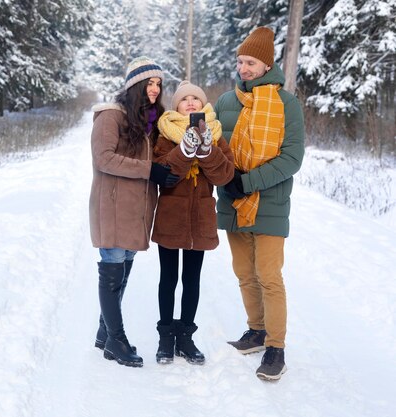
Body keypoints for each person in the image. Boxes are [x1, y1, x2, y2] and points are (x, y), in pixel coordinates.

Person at [214, 27, 305, 381]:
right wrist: (224, 179)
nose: (243, 68)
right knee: (244, 274)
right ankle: (255, 330)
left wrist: (247, 181)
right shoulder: (225, 101)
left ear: (267, 65)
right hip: (233, 200)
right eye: (240, 61)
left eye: (250, 62)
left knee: (269, 277)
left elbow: (292, 158)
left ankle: (276, 347)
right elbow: (214, 150)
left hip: (269, 201)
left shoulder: (287, 104)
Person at [89, 56, 180, 368]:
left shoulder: (149, 121)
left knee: (124, 269)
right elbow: (104, 158)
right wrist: (149, 170)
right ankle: (116, 339)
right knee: (112, 268)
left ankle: (104, 332)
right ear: (134, 85)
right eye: (149, 83)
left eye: (158, 84)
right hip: (113, 205)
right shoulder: (110, 117)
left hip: (136, 208)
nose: (155, 89)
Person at [151, 81, 234, 365]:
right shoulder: (164, 134)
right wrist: (184, 149)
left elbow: (224, 176)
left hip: (200, 217)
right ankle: (165, 338)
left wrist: (207, 148)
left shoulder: (216, 133)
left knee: (192, 279)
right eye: (183, 99)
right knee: (168, 278)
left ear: (203, 105)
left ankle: (185, 337)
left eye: (195, 99)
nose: (189, 102)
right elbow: (161, 169)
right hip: (171, 215)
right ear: (176, 106)